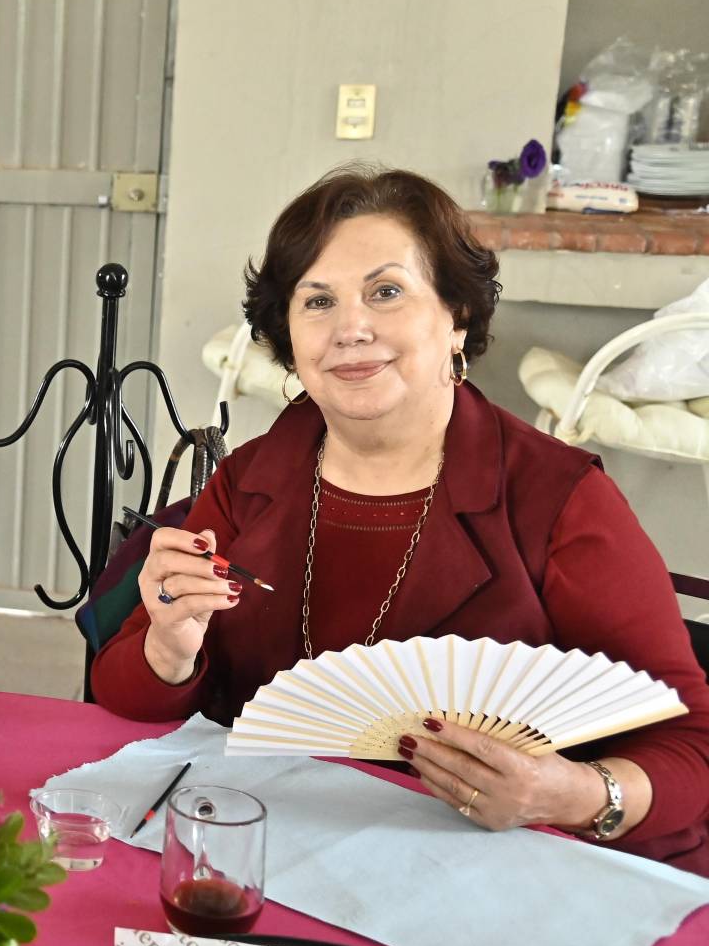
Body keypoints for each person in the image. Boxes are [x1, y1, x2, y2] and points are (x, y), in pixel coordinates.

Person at [92, 167, 709, 873]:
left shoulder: (559, 499)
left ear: (457, 318)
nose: (350, 329)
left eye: (386, 292)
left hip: (493, 869)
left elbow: (694, 742)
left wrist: (569, 795)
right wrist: (170, 647)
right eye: (317, 301)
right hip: (275, 854)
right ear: (289, 336)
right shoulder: (248, 480)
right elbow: (123, 696)